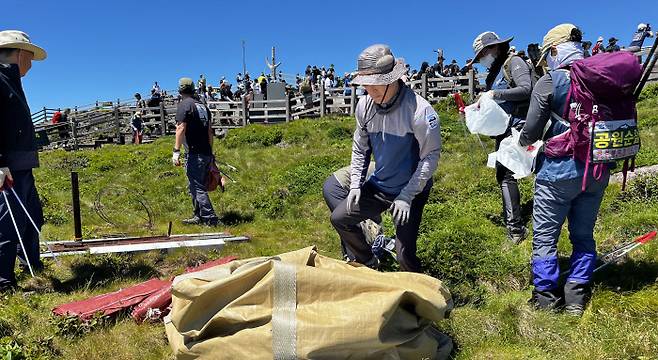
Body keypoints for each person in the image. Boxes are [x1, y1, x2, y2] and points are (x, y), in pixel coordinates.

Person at [519, 24, 607, 316]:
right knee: (583, 234)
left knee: (545, 235)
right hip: (596, 170)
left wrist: (520, 140)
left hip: (558, 172)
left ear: (554, 51)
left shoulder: (550, 81)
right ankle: (576, 296)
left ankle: (546, 300)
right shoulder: (600, 77)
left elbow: (531, 132)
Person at [329, 44, 441, 272]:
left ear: (393, 79)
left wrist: (407, 196)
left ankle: (422, 298)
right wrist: (355, 186)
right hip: (380, 185)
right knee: (339, 218)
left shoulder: (420, 111)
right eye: (366, 86)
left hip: (411, 190)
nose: (371, 91)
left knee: (404, 255)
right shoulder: (364, 106)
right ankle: (368, 260)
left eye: (376, 85)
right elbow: (360, 148)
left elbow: (430, 156)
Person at [467, 31, 534, 243]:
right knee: (504, 174)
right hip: (504, 130)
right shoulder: (493, 74)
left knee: (531, 171)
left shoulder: (514, 63)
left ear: (495, 47)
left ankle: (522, 226)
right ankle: (515, 228)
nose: (482, 60)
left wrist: (495, 94)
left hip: (524, 126)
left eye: (483, 54)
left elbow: (527, 89)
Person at [0, 30, 47, 292]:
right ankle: (2, 281)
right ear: (19, 53)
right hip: (7, 166)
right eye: (30, 56)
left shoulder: (11, 81)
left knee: (31, 216)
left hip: (21, 165)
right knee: (6, 224)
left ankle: (30, 262)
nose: (31, 63)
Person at [172, 78, 219, 226]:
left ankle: (210, 218)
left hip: (194, 152)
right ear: (193, 89)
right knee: (195, 185)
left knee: (197, 186)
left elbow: (180, 128)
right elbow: (210, 132)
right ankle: (198, 215)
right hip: (205, 151)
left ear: (180, 90)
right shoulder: (203, 106)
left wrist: (176, 151)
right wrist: (210, 153)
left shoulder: (184, 105)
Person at [323, 164, 380, 260]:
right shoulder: (380, 173)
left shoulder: (382, 169)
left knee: (346, 226)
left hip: (341, 186)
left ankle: (351, 257)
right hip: (336, 188)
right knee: (348, 225)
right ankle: (359, 260)